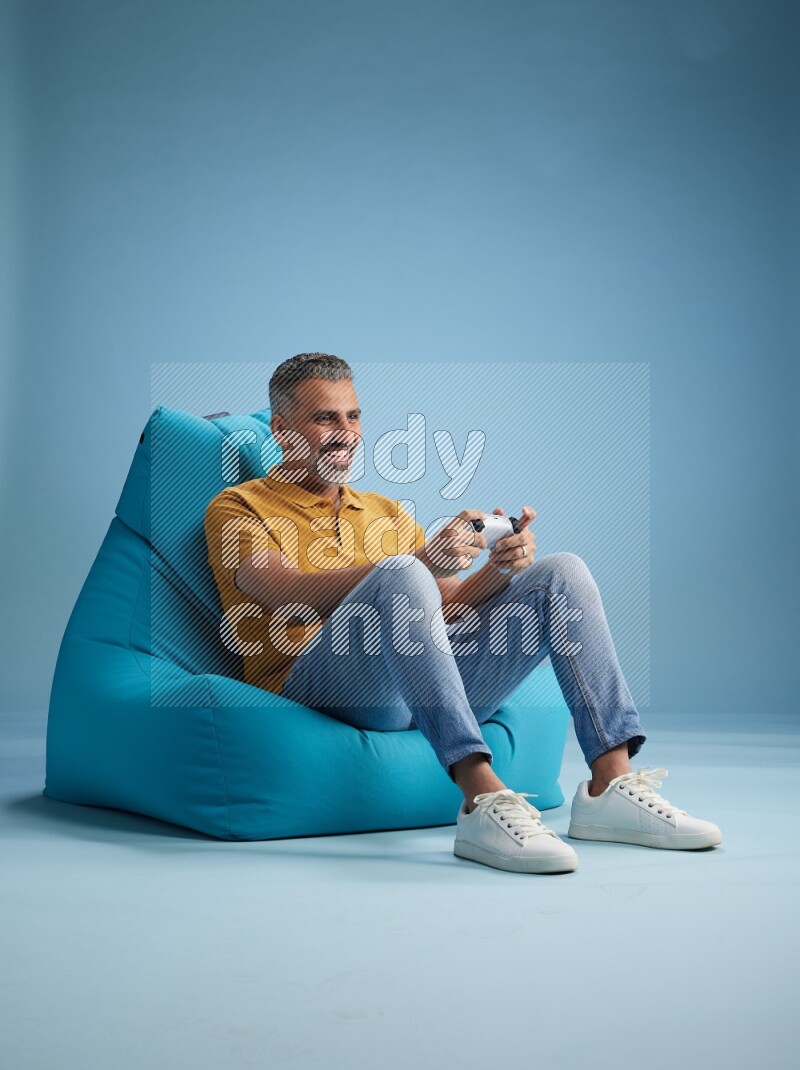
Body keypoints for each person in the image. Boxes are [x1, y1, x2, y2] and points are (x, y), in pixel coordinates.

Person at [204, 353, 722, 874]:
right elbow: (279, 588)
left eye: (354, 416)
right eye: (325, 418)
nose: (346, 433)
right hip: (321, 688)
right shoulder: (237, 506)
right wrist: (419, 562)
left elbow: (447, 604)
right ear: (281, 428)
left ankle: (610, 782)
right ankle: (480, 800)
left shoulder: (384, 511)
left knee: (561, 572)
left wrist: (500, 566)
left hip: (416, 688)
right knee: (404, 572)